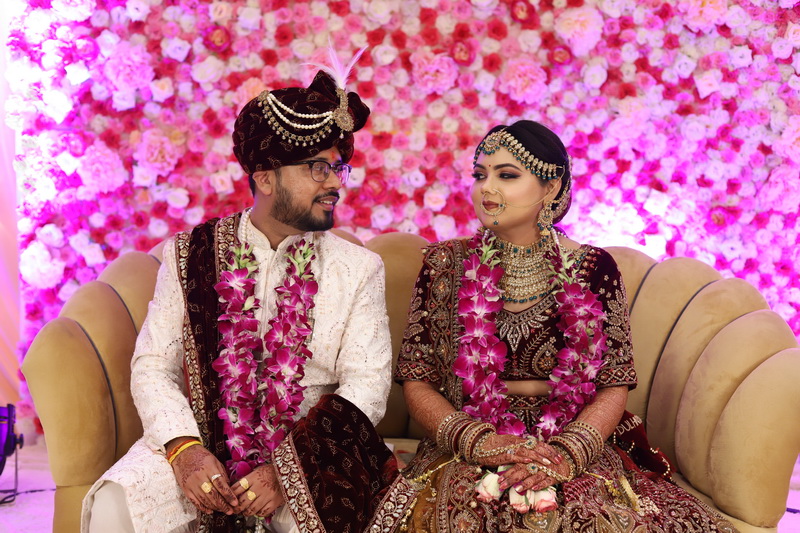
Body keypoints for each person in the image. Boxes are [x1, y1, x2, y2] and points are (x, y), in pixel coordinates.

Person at [82, 65, 417, 533]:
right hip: (204, 436)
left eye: (338, 167)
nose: (335, 183)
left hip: (313, 449)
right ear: (265, 178)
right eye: (318, 168)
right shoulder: (190, 255)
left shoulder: (358, 268)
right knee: (115, 504)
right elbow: (153, 365)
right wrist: (183, 449)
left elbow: (368, 385)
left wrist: (287, 470)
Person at [394, 120, 738, 532]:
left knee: (593, 517)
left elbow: (613, 384)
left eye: (507, 175)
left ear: (551, 187)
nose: (487, 189)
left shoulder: (594, 269)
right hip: (470, 436)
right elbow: (416, 379)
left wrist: (568, 454)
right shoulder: (443, 266)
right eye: (480, 175)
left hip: (573, 436)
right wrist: (477, 441)